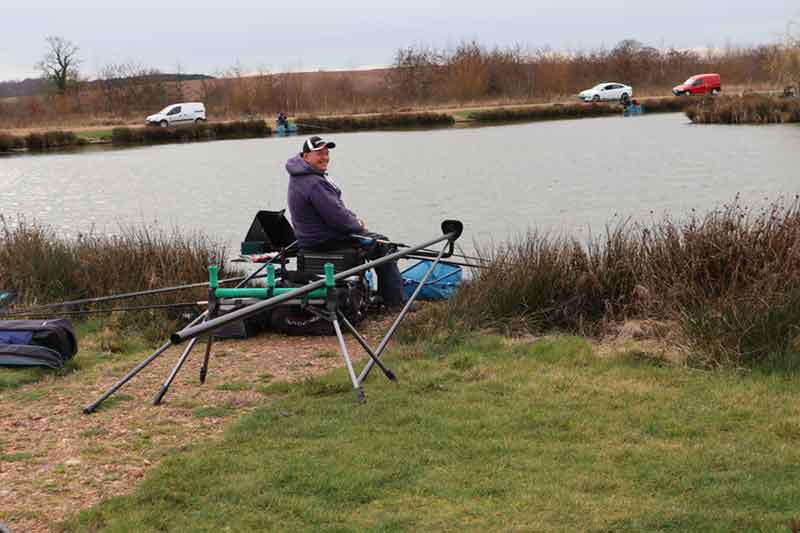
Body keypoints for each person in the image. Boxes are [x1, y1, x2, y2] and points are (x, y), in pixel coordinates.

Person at [285, 136, 406, 308]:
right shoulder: (314, 183)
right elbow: (339, 219)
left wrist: (352, 220)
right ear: (306, 156)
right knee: (383, 245)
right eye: (319, 153)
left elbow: (335, 210)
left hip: (312, 238)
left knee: (377, 242)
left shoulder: (300, 176)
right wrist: (358, 224)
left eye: (326, 153)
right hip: (325, 240)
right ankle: (395, 302)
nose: (325, 157)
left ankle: (377, 294)